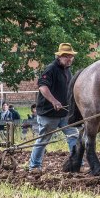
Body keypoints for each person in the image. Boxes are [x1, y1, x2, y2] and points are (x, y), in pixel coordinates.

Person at [28, 43, 80, 172]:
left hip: (64, 114)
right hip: (48, 113)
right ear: (60, 56)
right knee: (43, 140)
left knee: (73, 136)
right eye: (67, 56)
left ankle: (77, 164)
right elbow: (42, 87)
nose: (70, 59)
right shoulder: (50, 69)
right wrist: (54, 101)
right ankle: (34, 166)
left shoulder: (68, 70)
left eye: (71, 57)